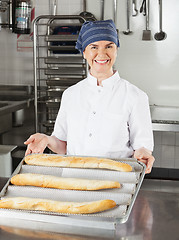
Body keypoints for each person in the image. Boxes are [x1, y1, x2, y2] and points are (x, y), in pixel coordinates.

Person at [24, 19, 155, 174]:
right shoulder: (71, 94)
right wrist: (46, 139)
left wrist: (143, 153)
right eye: (94, 47)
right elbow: (62, 145)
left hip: (117, 182)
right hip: (73, 180)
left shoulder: (135, 96)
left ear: (116, 49)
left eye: (109, 46)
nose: (101, 53)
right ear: (84, 52)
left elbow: (142, 147)